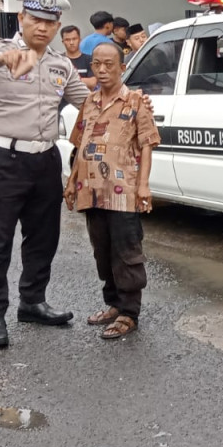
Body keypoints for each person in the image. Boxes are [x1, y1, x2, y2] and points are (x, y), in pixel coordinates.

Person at [0, 0, 93, 349]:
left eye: (50, 22)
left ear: (58, 24)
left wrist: (126, 98)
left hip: (45, 159)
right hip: (3, 158)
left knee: (44, 237)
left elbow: (87, 102)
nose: (43, 28)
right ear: (22, 19)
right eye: (36, 20)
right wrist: (3, 59)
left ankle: (32, 301)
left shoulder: (61, 64)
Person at [63, 42, 158, 339]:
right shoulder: (89, 102)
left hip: (124, 191)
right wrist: (70, 181)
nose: (102, 71)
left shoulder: (136, 102)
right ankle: (113, 305)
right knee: (102, 251)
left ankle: (130, 312)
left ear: (122, 68)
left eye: (109, 65)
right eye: (97, 65)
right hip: (91, 190)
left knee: (126, 252)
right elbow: (81, 145)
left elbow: (147, 144)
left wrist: (143, 185)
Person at [60, 24, 96, 90]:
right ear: (63, 42)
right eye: (67, 40)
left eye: (74, 39)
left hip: (85, 99)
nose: (71, 42)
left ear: (80, 40)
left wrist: (66, 81)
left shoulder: (90, 59)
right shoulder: (58, 60)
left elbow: (92, 83)